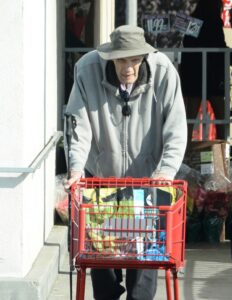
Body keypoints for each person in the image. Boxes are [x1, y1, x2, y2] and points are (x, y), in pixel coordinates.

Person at [64, 25, 187, 300]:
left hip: (147, 182)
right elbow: (79, 126)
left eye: (134, 60)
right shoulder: (87, 69)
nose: (128, 68)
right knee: (99, 262)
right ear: (110, 57)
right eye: (121, 60)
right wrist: (75, 168)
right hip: (101, 181)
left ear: (144, 57)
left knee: (143, 269)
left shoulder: (164, 72)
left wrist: (165, 171)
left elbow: (176, 129)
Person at [179, 0, 227, 145]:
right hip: (212, 74)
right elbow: (219, 45)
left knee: (190, 116)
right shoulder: (214, 21)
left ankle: (185, 150)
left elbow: (186, 44)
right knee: (221, 116)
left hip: (194, 74)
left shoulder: (193, 20)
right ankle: (223, 149)